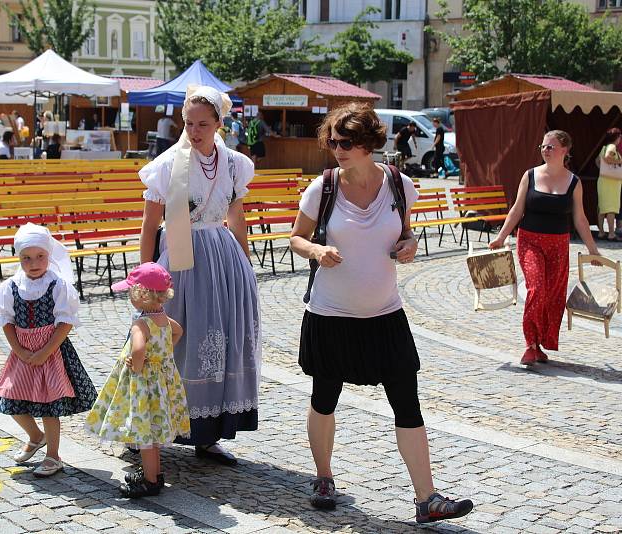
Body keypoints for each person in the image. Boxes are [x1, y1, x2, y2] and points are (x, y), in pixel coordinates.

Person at [289, 103, 474, 523]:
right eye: (334, 141)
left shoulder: (399, 185)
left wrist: (408, 246)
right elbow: (296, 238)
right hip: (331, 314)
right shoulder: (323, 188)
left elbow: (406, 234)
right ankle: (323, 477)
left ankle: (427, 498)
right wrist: (316, 249)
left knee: (407, 403)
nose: (338, 149)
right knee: (324, 398)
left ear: (370, 142)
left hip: (386, 314)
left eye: (348, 142)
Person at [138, 86, 260, 466]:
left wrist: (245, 263)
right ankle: (148, 430)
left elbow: (236, 216)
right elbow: (148, 225)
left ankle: (209, 434)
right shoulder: (168, 165)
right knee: (172, 340)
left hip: (222, 259)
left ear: (220, 124)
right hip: (181, 258)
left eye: (203, 124)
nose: (194, 130)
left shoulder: (235, 164)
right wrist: (147, 277)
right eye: (189, 123)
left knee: (221, 339)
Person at [0, 223, 97, 477]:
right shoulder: (11, 287)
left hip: (52, 353)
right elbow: (6, 320)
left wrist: (46, 351)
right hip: (23, 354)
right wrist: (18, 350)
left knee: (50, 405)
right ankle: (35, 435)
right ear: (19, 258)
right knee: (12, 401)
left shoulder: (57, 285)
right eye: (26, 258)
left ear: (49, 255)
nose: (33, 262)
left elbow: (65, 322)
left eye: (40, 256)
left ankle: (53, 455)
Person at [490, 130, 600, 365]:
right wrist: (501, 237)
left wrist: (593, 250)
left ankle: (540, 343)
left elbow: (580, 219)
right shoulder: (529, 176)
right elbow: (517, 210)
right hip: (530, 241)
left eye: (550, 147)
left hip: (559, 245)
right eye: (543, 146)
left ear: (564, 150)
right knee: (537, 289)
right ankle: (530, 344)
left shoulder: (574, 182)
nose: (545, 150)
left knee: (552, 297)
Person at [85, 262, 191, 498]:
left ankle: (150, 480)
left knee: (145, 434)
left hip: (144, 385)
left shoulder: (141, 323)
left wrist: (139, 363)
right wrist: (163, 355)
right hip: (160, 383)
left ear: (142, 295)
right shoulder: (163, 318)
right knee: (152, 432)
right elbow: (178, 331)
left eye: (131, 292)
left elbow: (139, 347)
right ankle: (155, 473)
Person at [596, 128, 622, 241]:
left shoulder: (604, 147)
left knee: (602, 208)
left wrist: (603, 170)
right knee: (611, 208)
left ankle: (601, 232)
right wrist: (619, 162)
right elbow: (607, 157)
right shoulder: (612, 147)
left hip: (603, 180)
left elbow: (597, 161)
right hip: (611, 183)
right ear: (616, 137)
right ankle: (611, 234)